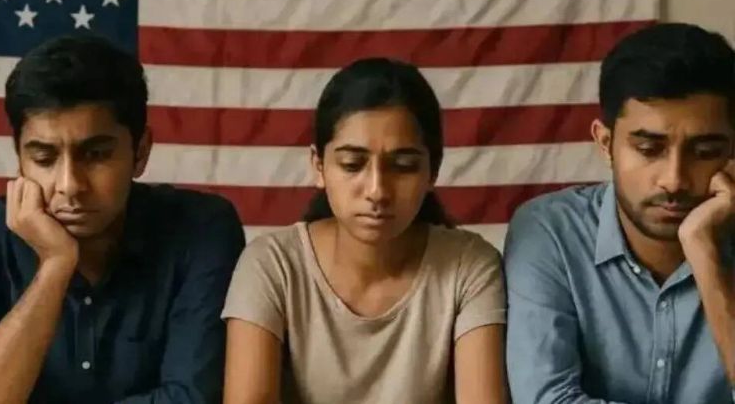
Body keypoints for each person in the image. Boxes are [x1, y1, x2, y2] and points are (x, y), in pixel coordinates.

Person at [0, 33, 246, 404]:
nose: (70, 185)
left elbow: (193, 399)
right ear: (19, 159)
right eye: (44, 159)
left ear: (140, 152)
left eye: (95, 155)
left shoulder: (202, 229)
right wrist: (55, 267)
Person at [221, 58, 508, 404]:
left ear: (433, 171)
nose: (377, 190)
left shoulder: (470, 266)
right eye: (352, 165)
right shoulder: (272, 265)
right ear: (318, 166)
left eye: (403, 166)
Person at [505, 22, 735, 403]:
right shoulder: (551, 232)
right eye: (648, 149)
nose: (674, 180)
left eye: (705, 152)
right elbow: (547, 400)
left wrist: (704, 255)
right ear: (605, 143)